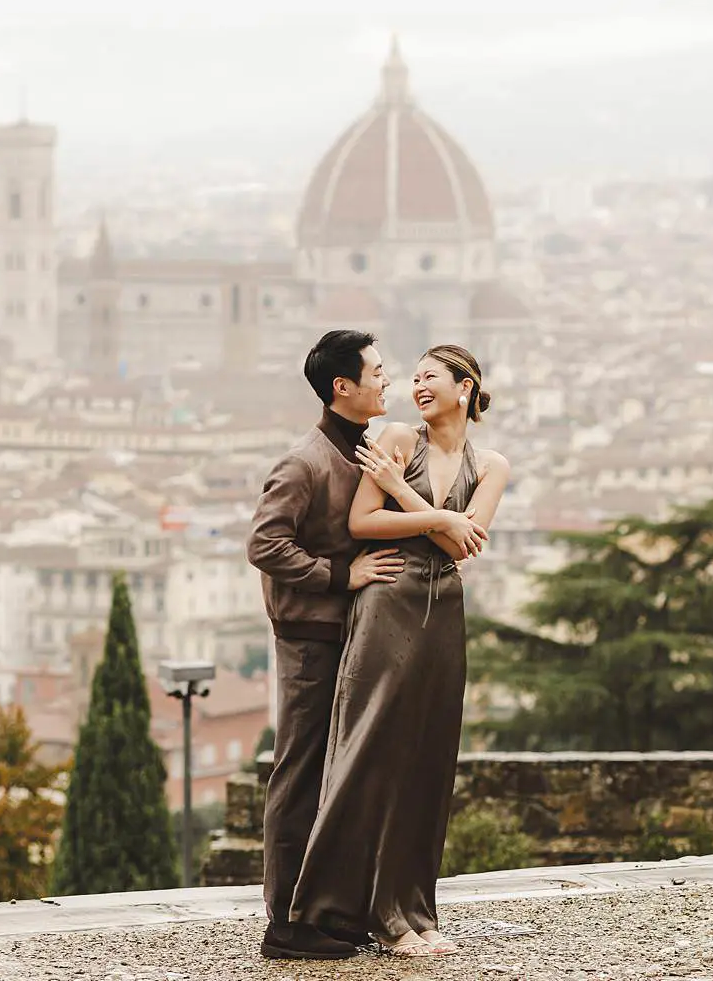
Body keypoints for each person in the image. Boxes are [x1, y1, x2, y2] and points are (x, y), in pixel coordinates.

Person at [246, 330, 486, 961]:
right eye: (377, 372)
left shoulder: (367, 450)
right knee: (302, 772)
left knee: (344, 772)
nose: (389, 381)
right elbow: (265, 544)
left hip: (359, 630)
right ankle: (288, 922)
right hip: (311, 635)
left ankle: (333, 912)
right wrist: (338, 575)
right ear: (342, 386)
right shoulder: (305, 461)